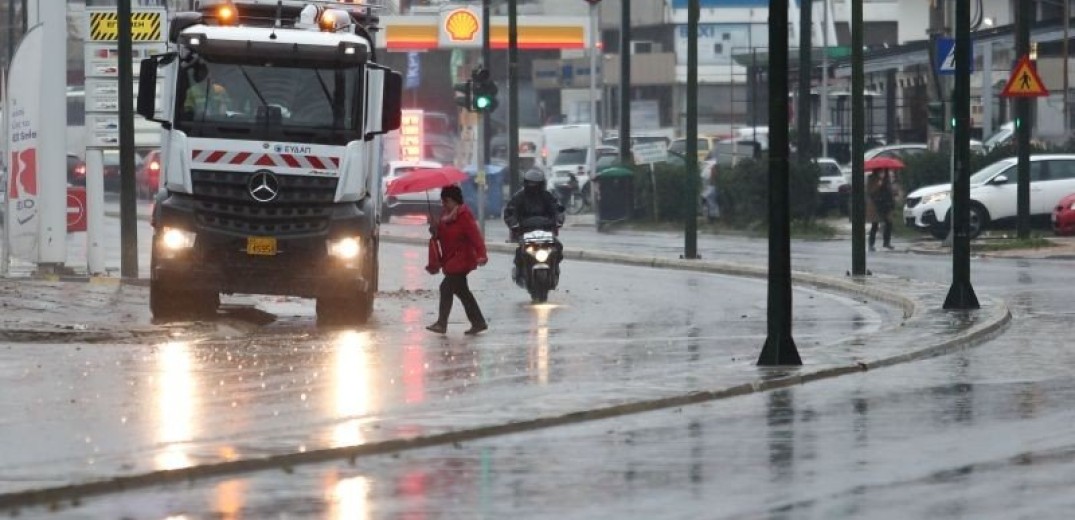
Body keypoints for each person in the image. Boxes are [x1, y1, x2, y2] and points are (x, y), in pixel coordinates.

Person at [425, 185, 489, 336]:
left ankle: (442, 324)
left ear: (453, 200)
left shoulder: (464, 215)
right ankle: (478, 322)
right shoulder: (445, 215)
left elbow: (476, 237)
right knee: (462, 291)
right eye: (443, 201)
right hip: (451, 259)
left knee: (446, 287)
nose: (443, 204)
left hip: (461, 260)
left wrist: (482, 254)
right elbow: (442, 234)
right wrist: (435, 230)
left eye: (446, 201)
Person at [503, 168, 565, 283]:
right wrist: (514, 224)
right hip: (526, 231)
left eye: (536, 184)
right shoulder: (519, 197)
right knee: (520, 251)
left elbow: (557, 208)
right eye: (531, 183)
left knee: (558, 247)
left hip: (545, 231)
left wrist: (559, 219)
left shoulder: (548, 196)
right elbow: (510, 211)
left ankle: (555, 268)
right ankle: (520, 272)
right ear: (526, 183)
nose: (533, 186)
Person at [866, 168, 898, 251]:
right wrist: (878, 185)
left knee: (889, 223)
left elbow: (890, 191)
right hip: (875, 204)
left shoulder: (887, 179)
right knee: (875, 225)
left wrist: (893, 190)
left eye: (883, 171)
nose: (882, 173)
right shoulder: (871, 179)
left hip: (886, 204)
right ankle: (871, 244)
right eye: (881, 172)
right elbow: (870, 191)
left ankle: (886, 243)